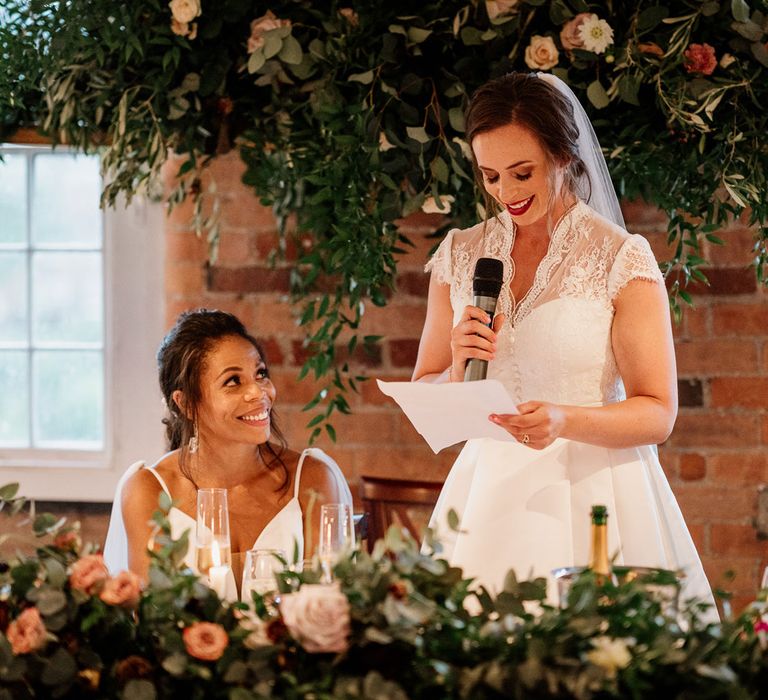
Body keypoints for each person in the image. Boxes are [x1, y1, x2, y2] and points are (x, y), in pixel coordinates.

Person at [412, 72, 715, 611]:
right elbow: (427, 390)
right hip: (486, 499)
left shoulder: (621, 257)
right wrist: (458, 368)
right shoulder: (461, 255)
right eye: (490, 176)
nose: (505, 193)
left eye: (521, 172)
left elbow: (658, 413)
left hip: (598, 492)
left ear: (564, 156)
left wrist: (563, 419)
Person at [103, 309, 352, 597]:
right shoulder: (148, 491)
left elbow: (328, 603)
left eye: (260, 374)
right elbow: (153, 620)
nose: (259, 393)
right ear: (185, 404)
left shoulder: (312, 479)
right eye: (233, 381)